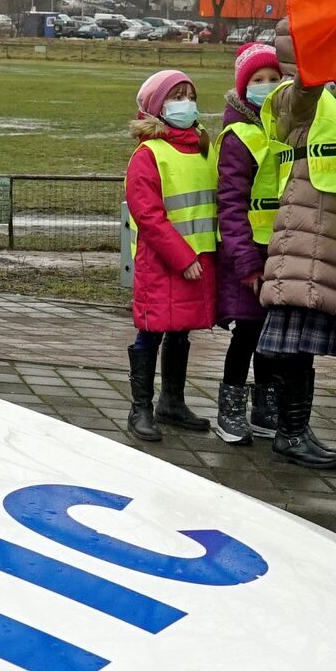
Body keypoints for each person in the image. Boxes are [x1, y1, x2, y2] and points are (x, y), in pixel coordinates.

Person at [255, 19, 336, 470]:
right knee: (294, 342)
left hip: (327, 237)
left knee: (303, 346)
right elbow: (301, 97)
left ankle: (296, 428)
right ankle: (290, 432)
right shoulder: (292, 93)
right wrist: (312, 71)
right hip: (303, 236)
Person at [123, 69, 218, 443]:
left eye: (188, 95)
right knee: (151, 331)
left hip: (197, 261)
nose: (185, 103)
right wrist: (183, 257)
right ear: (157, 108)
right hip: (163, 262)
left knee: (180, 332)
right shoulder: (148, 154)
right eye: (175, 97)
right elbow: (148, 214)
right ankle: (140, 408)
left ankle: (172, 402)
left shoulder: (201, 148)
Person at [213, 43, 283, 445]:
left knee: (274, 337)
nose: (268, 86)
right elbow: (231, 203)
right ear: (244, 88)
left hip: (284, 248)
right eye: (258, 81)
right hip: (250, 253)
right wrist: (245, 263)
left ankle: (265, 407)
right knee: (248, 335)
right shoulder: (239, 136)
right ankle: (231, 409)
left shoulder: (287, 126)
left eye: (274, 79)